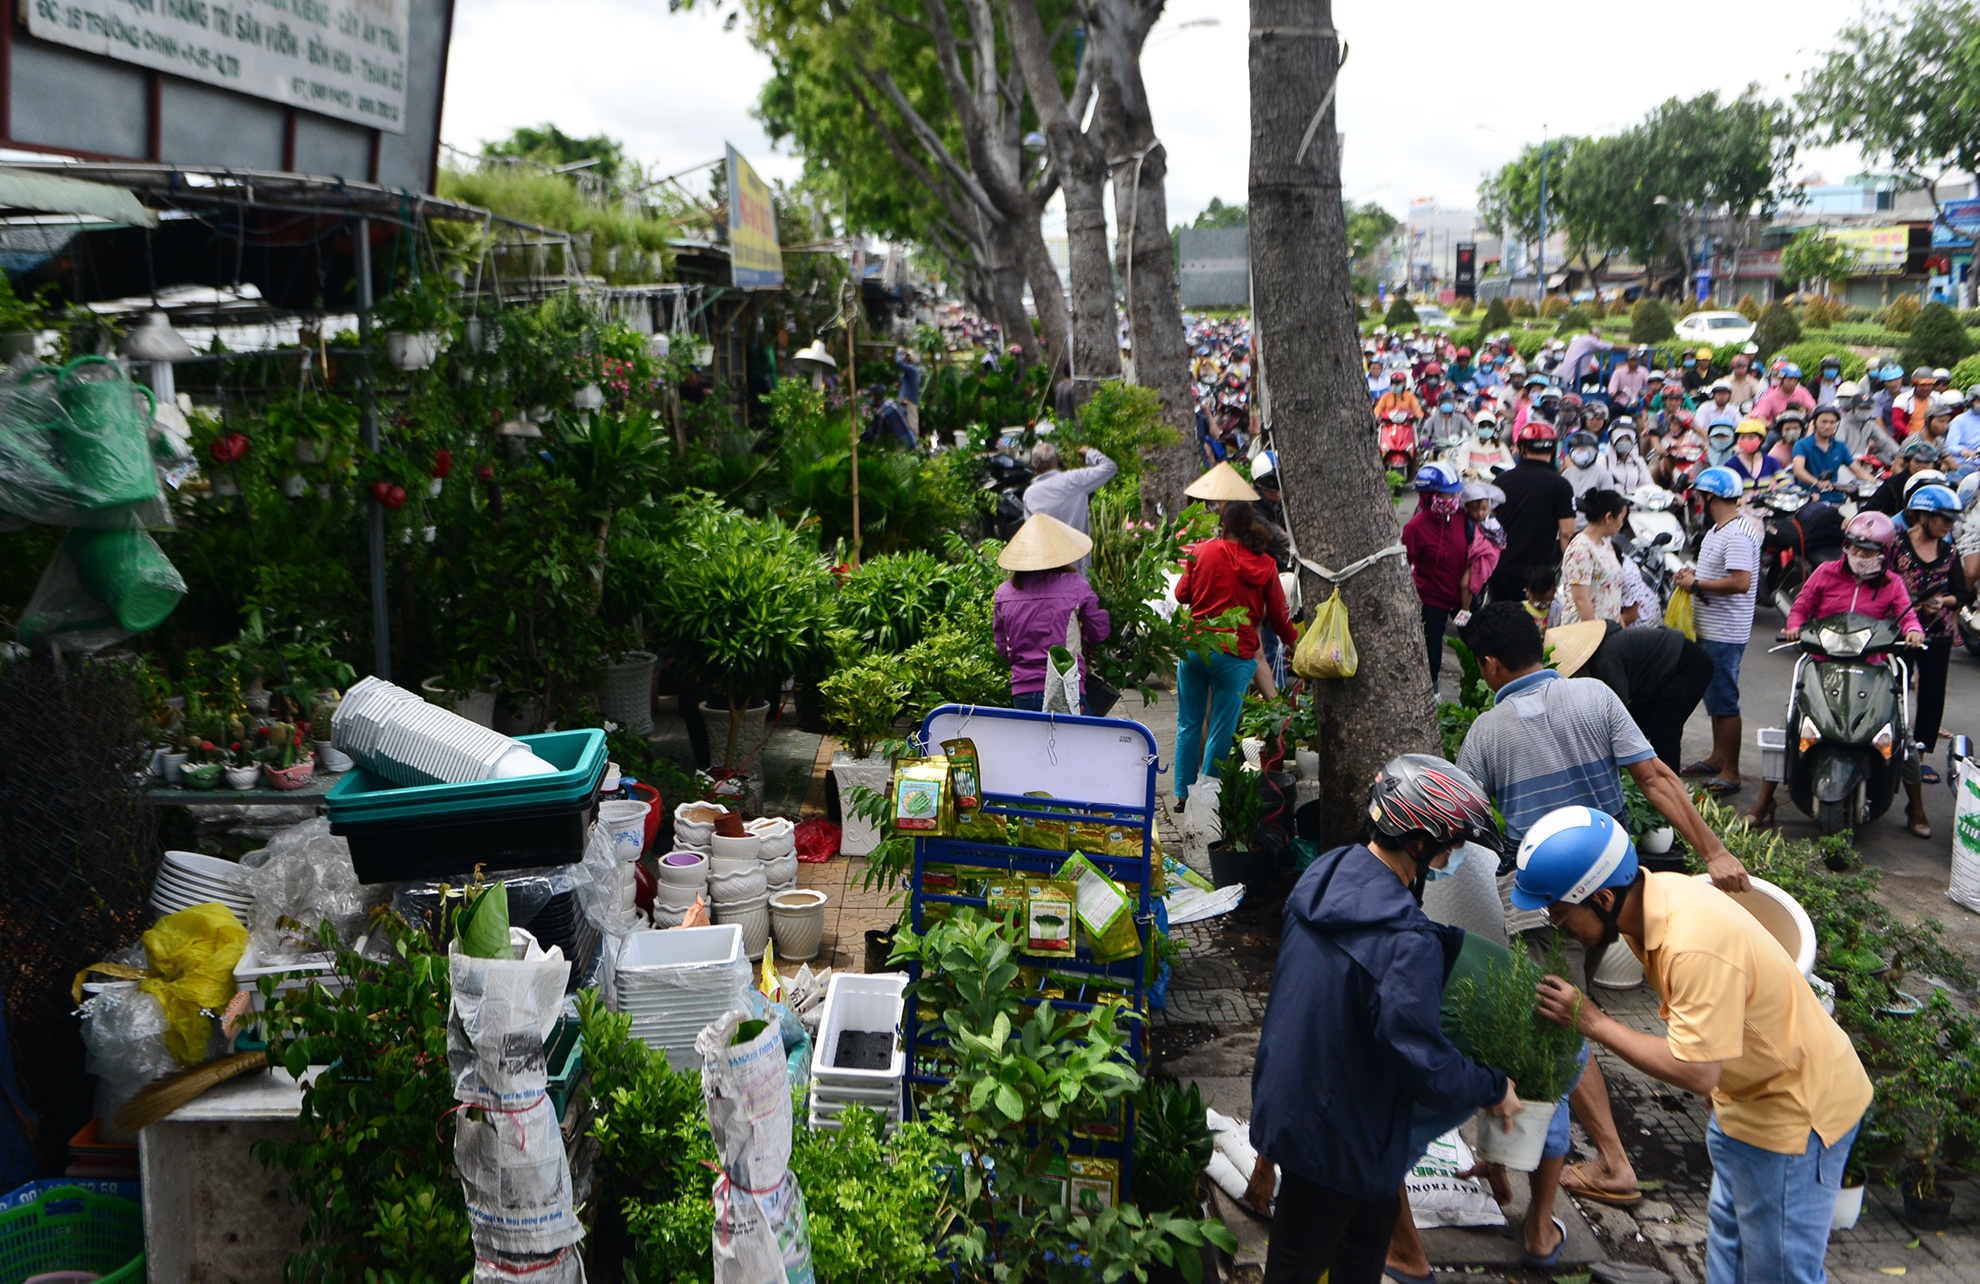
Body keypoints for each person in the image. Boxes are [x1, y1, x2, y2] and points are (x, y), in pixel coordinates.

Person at [1456, 603, 1749, 1211]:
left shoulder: (1485, 733)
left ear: (1489, 665)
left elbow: (1463, 821)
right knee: (1616, 1005)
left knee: (1562, 1021)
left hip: (1547, 902)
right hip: (1619, 890)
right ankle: (1716, 1099)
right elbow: (1657, 777)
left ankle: (1612, 1161)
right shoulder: (1595, 697)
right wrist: (1714, 852)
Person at [1517, 808, 1871, 1284]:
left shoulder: (1689, 944)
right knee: (1729, 1248)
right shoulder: (1658, 900)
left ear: (1602, 898)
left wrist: (1593, 1022)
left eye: (1560, 913)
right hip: (1742, 1103)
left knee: (1779, 1273)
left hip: (1796, 1116)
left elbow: (1698, 1072)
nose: (1558, 926)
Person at [1247, 756, 1519, 1284]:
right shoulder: (1404, 942)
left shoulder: (1328, 873)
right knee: (1301, 1268)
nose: (1454, 855)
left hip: (1297, 1106)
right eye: (1452, 844)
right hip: (1341, 1137)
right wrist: (1493, 1086)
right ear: (1418, 842)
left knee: (1360, 1243)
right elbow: (1423, 1064)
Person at [1748, 510, 1931, 834]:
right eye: (1855, 547)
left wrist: (1914, 631)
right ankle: (1764, 803)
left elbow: (1907, 617)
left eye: (1869, 550)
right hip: (1823, 663)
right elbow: (1801, 607)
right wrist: (1794, 626)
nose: (1860, 555)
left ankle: (1916, 809)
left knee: (1901, 735)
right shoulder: (1825, 573)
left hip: (1872, 668)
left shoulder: (1892, 584)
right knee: (1790, 728)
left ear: (1883, 553)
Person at [1172, 501, 1295, 808]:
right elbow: (1278, 614)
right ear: (1251, 526)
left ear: (1223, 525)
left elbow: (1181, 594)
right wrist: (1292, 641)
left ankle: (1182, 793)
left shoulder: (1203, 551)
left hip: (1196, 646)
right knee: (1221, 728)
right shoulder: (1266, 564)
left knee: (1189, 723)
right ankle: (1209, 796)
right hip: (1236, 653)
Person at [1669, 467, 1760, 798]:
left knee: (1724, 700)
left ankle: (1730, 771)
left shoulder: (1737, 534)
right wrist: (1693, 576)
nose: (1697, 501)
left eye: (1700, 496)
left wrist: (1697, 584)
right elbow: (1718, 573)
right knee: (1715, 697)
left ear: (1710, 497)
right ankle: (1718, 757)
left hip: (1726, 631)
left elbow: (1740, 582)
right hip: (1711, 627)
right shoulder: (1718, 530)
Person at [1547, 619, 1715, 771]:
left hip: (1687, 667)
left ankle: (1669, 787)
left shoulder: (1605, 661)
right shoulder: (1604, 654)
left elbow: (1617, 710)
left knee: (1664, 733)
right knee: (1638, 725)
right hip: (1655, 679)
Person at [991, 514, 1111, 712]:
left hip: (1022, 691)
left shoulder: (1004, 593)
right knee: (1082, 733)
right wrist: (1084, 640)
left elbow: (1003, 647)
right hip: (1066, 686)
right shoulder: (1075, 585)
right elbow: (1099, 630)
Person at [1890, 484, 1968, 783]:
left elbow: (1962, 594)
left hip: (1937, 633)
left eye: (1951, 520)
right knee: (1892, 691)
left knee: (1932, 696)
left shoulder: (1949, 552)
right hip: (1898, 631)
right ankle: (1887, 752)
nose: (1948, 526)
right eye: (1943, 519)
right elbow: (1880, 582)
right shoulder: (1896, 545)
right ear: (1923, 515)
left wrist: (1942, 602)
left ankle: (1918, 759)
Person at [1486, 423, 1576, 604]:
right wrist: (1572, 573)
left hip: (1500, 568)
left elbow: (1487, 522)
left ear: (1521, 448)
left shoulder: (1502, 480)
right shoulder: (1561, 485)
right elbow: (1567, 533)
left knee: (1499, 616)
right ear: (1553, 450)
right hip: (1537, 577)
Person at [1401, 463, 1471, 685]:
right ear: (1430, 496)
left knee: (1476, 647)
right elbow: (1403, 567)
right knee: (1431, 656)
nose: (1453, 499)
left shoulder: (1460, 516)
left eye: (1455, 494)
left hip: (1464, 597)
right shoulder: (1414, 528)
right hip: (1432, 600)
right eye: (1447, 495)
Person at [1021, 441, 1118, 558]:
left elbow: (1031, 533)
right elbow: (1110, 467)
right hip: (1077, 560)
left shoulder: (1029, 494)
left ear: (1035, 465)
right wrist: (1089, 453)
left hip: (1048, 562)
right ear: (1058, 460)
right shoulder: (1074, 479)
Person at [1560, 489, 1628, 624]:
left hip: (1608, 626)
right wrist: (1595, 632)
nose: (1622, 524)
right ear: (1608, 517)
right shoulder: (1581, 549)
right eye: (1621, 518)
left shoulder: (1605, 544)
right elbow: (1581, 600)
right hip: (1585, 629)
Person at [1789, 404, 1867, 503]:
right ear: (1814, 422)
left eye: (1832, 422)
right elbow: (1798, 471)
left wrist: (1878, 484)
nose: (1828, 426)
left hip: (1837, 498)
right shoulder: (1801, 444)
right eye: (1824, 422)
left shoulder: (1840, 446)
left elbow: (1859, 471)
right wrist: (1817, 483)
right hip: (1811, 499)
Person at [1865, 437, 1945, 515]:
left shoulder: (1940, 485)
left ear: (1933, 465)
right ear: (1907, 463)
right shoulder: (1893, 483)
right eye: (1918, 462)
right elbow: (1869, 509)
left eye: (1927, 463)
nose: (1922, 466)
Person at [1838, 384, 1901, 466]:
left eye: (1868, 408)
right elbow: (1839, 446)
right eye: (1862, 408)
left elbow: (1885, 441)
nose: (1865, 411)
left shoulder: (1870, 424)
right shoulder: (1843, 423)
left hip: (1862, 463)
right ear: (1853, 408)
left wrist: (1901, 454)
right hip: (1843, 464)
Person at [1559, 430, 1614, 515]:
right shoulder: (1567, 474)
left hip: (1591, 521)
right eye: (1576, 450)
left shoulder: (1603, 476)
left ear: (1595, 451)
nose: (1580, 453)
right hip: (1570, 521)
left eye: (1583, 449)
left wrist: (1589, 507)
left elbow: (1607, 505)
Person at [1452, 409, 1514, 479]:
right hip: (1477, 482)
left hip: (1497, 482)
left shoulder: (1500, 445)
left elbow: (1511, 465)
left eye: (1490, 426)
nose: (1486, 428)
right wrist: (1468, 471)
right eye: (1483, 426)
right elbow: (1461, 468)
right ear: (1476, 427)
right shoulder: (1467, 446)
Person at [1724, 417, 1783, 490]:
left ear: (1761, 440)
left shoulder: (1771, 462)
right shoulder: (1731, 465)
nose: (1746, 441)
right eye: (1742, 437)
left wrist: (1778, 488)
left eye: (1751, 437)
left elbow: (1786, 483)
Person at [1751, 362, 1815, 424]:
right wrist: (1771, 425)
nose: (1793, 383)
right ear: (1781, 379)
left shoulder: (1802, 391)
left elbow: (1813, 409)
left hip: (1800, 426)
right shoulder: (1770, 397)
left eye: (1796, 379)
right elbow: (1760, 417)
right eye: (1790, 379)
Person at [1603, 421, 1652, 492]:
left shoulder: (1639, 462)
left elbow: (1648, 486)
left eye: (1628, 439)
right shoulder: (1604, 462)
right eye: (1621, 439)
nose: (1624, 442)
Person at [1607, 346, 1650, 410]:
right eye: (1631, 360)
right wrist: (1617, 392)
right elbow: (1612, 390)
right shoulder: (1618, 372)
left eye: (1635, 360)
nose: (1633, 362)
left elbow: (1649, 383)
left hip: (1638, 401)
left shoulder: (1643, 371)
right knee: (1613, 409)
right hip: (1622, 401)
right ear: (1627, 361)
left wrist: (1645, 391)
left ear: (1638, 360)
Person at [894, 347, 924, 437]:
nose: (903, 356)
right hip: (905, 403)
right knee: (904, 428)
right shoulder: (908, 372)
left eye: (905, 355)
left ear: (909, 358)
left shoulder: (912, 370)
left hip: (910, 403)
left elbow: (899, 363)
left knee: (912, 428)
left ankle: (914, 444)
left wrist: (899, 351)